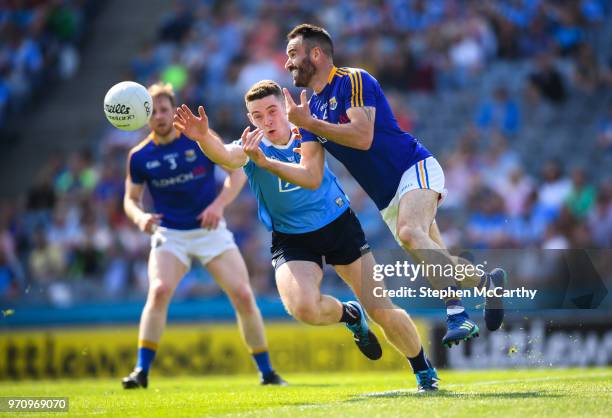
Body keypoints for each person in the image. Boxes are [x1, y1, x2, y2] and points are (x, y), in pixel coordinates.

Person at [174, 80, 440, 392]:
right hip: (292, 238)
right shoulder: (252, 146)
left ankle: (423, 369)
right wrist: (204, 136)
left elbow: (312, 178)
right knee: (303, 308)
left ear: (285, 110)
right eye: (257, 116)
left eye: (272, 111)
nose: (267, 121)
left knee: (381, 308)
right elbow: (227, 156)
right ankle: (349, 314)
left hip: (338, 224)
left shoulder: (309, 134)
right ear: (250, 120)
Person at [282, 24, 507, 347]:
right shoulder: (309, 110)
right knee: (432, 254)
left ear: (315, 54)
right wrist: (269, 162)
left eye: (293, 54)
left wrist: (311, 124)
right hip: (387, 198)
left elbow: (363, 136)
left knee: (410, 233)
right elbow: (312, 174)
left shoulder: (352, 80)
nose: (288, 63)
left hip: (413, 168)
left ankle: (457, 315)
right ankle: (489, 284)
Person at [122, 82, 285, 389]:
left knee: (244, 295)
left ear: (174, 111)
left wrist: (218, 206)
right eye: (153, 111)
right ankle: (141, 371)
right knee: (158, 291)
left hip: (210, 231)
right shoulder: (139, 156)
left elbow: (236, 173)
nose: (159, 115)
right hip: (170, 234)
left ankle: (267, 373)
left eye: (164, 109)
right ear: (145, 116)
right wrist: (140, 216)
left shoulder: (198, 140)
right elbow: (130, 200)